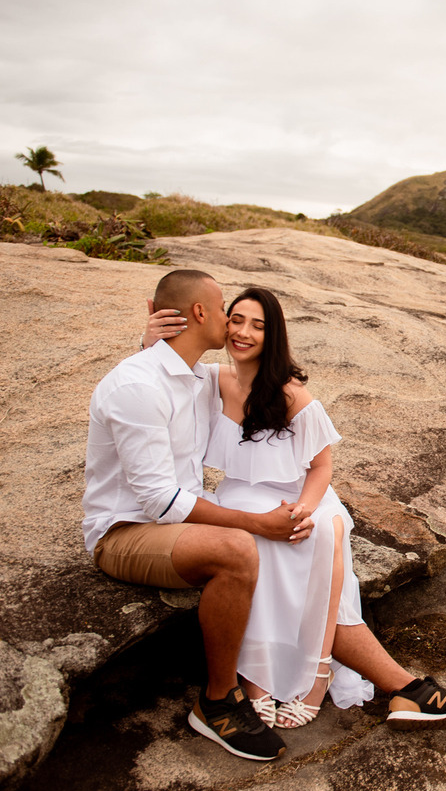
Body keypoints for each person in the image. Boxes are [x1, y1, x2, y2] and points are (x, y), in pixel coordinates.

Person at [145, 286, 446, 733]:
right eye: (237, 320)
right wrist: (150, 341)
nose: (243, 332)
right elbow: (162, 375)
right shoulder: (210, 380)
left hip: (298, 496)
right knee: (254, 550)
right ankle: (268, 683)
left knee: (321, 533)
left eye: (258, 325)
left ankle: (316, 673)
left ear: (274, 336)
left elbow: (323, 465)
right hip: (238, 497)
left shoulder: (291, 395)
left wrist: (304, 508)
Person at [84, 269, 294, 762]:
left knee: (302, 536)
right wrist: (257, 524)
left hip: (174, 526)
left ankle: (363, 677)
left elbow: (269, 379)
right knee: (240, 545)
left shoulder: (196, 378)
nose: (230, 321)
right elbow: (159, 501)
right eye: (224, 310)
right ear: (200, 313)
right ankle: (218, 700)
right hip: (125, 533)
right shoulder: (137, 386)